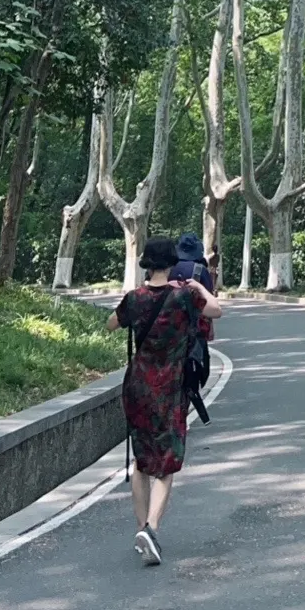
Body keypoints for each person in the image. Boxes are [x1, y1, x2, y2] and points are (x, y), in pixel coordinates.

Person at [107, 235, 224, 567]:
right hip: (169, 390)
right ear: (173, 263)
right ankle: (152, 529)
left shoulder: (135, 298)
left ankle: (141, 529)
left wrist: (132, 304)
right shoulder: (185, 296)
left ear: (147, 264)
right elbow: (216, 311)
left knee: (142, 462)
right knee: (167, 463)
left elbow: (111, 324)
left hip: (137, 389)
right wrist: (201, 288)